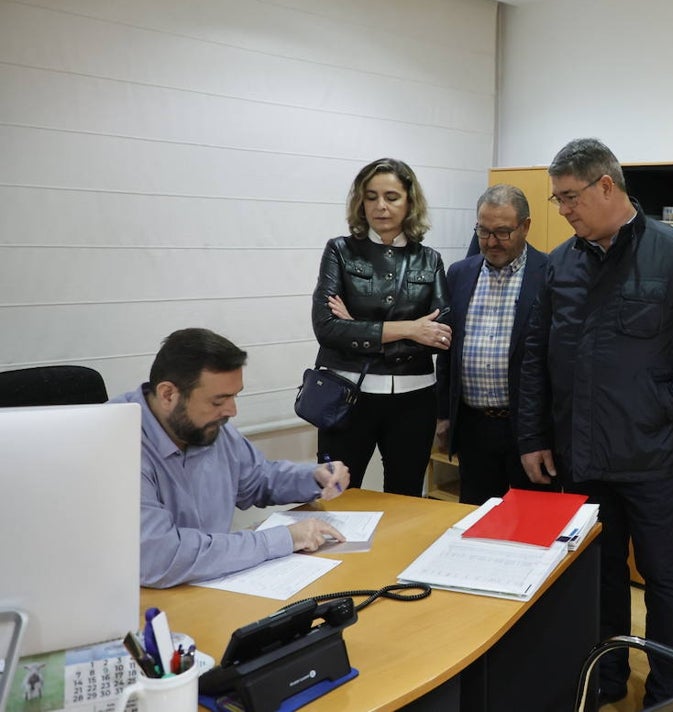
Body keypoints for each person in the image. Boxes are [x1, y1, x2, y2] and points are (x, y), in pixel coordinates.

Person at [517, 138, 673, 706]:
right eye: (557, 200)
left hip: (652, 454)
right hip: (581, 452)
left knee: (666, 578)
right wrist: (535, 436)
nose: (563, 209)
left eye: (570, 197)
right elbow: (536, 352)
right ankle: (607, 676)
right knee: (601, 575)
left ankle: (672, 689)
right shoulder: (560, 262)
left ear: (606, 187)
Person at [127, 328, 351, 588]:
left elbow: (257, 480)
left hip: (214, 585)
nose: (232, 411)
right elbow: (162, 557)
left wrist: (314, 477)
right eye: (218, 400)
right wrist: (283, 539)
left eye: (234, 396)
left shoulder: (208, 426)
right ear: (168, 394)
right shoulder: (121, 445)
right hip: (149, 604)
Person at [312, 158, 451, 496]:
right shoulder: (341, 251)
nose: (380, 206)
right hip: (347, 396)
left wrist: (358, 329)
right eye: (371, 196)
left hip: (414, 399)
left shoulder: (429, 259)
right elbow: (327, 328)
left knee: (406, 498)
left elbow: (441, 335)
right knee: (337, 495)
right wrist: (409, 329)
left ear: (409, 202)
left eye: (391, 196)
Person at [435, 184, 547, 504]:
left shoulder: (550, 273)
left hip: (526, 430)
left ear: (525, 226)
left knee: (532, 522)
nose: (491, 242)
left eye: (502, 232)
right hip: (473, 428)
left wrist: (543, 434)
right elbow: (447, 351)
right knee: (475, 520)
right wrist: (445, 415)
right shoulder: (459, 273)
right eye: (483, 231)